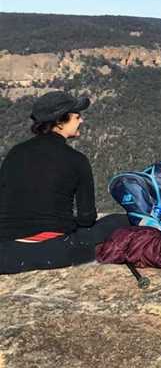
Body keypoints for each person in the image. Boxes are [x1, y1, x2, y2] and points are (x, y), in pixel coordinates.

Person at [0, 91, 127, 274]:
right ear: (60, 121)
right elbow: (87, 219)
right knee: (120, 220)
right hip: (53, 252)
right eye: (77, 116)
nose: (81, 121)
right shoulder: (76, 160)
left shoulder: (14, 154)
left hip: (6, 254)